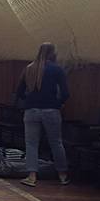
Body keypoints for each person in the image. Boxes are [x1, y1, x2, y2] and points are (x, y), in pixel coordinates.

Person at [16, 42, 70, 187]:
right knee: (56, 142)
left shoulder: (29, 68)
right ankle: (62, 175)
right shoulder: (57, 69)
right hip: (51, 110)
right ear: (53, 53)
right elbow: (65, 93)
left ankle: (32, 176)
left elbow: (19, 91)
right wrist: (59, 103)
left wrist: (29, 100)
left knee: (31, 144)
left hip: (31, 110)